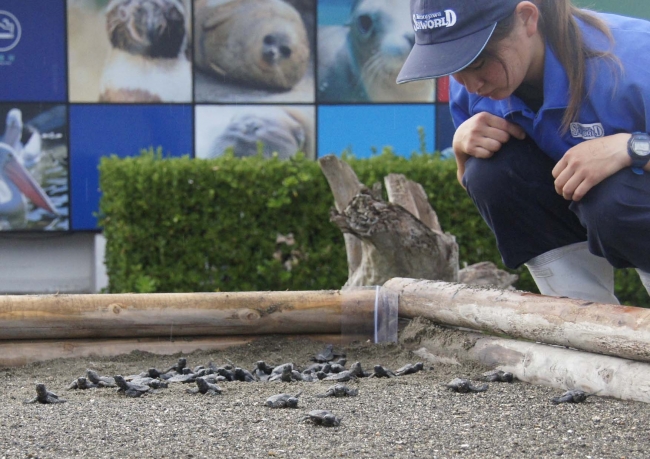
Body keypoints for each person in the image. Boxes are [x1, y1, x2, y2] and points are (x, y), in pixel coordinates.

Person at [396, 0, 650, 304]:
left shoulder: (636, 58)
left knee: (613, 198)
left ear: (527, 18)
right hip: (583, 218)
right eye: (452, 67)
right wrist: (462, 153)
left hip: (624, 205)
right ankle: (581, 319)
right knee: (490, 173)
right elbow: (475, 184)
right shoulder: (469, 87)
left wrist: (632, 148)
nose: (472, 84)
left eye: (477, 62)